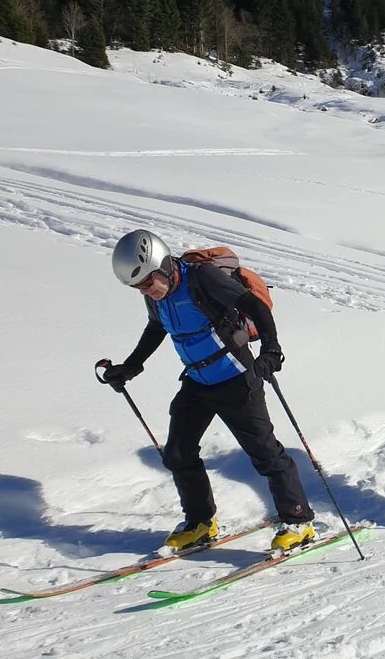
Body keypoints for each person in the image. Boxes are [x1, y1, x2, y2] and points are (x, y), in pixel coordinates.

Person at [103, 229, 315, 552]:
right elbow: (156, 328)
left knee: (265, 453)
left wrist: (271, 350)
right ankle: (201, 522)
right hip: (198, 381)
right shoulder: (155, 297)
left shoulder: (201, 278)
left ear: (161, 265)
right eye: (138, 287)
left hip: (236, 377)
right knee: (177, 452)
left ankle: (298, 521)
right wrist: (130, 367)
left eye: (147, 283)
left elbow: (254, 306)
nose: (145, 291)